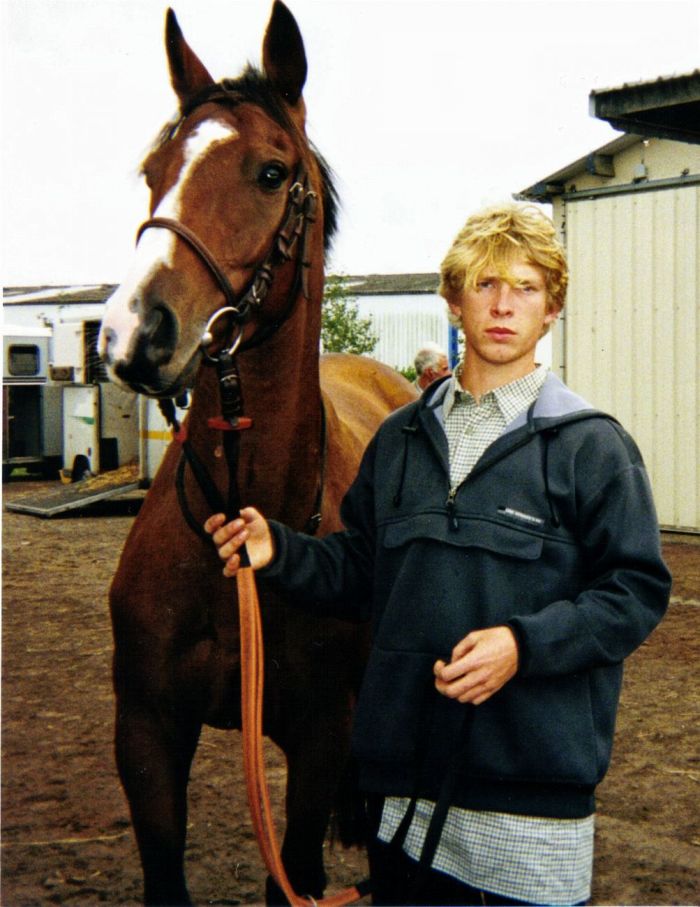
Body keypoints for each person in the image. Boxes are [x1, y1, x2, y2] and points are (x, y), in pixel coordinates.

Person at [205, 203, 670, 906]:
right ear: (454, 302)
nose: (504, 304)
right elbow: (362, 570)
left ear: (552, 309)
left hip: (528, 810)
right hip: (403, 801)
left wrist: (524, 645)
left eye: (526, 287)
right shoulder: (398, 440)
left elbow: (634, 591)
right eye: (484, 285)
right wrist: (282, 552)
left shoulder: (591, 445)